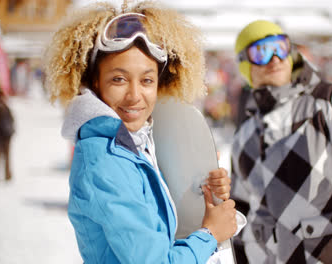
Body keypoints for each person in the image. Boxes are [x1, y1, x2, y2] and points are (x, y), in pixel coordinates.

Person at [43, 1, 237, 263]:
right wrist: (210, 234)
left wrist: (197, 191)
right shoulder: (105, 160)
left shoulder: (133, 143)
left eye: (147, 80)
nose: (134, 96)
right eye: (118, 79)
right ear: (95, 81)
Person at [230, 20, 332, 263]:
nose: (275, 58)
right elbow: (241, 209)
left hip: (326, 252)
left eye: (280, 46)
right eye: (261, 51)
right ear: (244, 66)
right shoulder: (243, 137)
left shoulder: (325, 100)